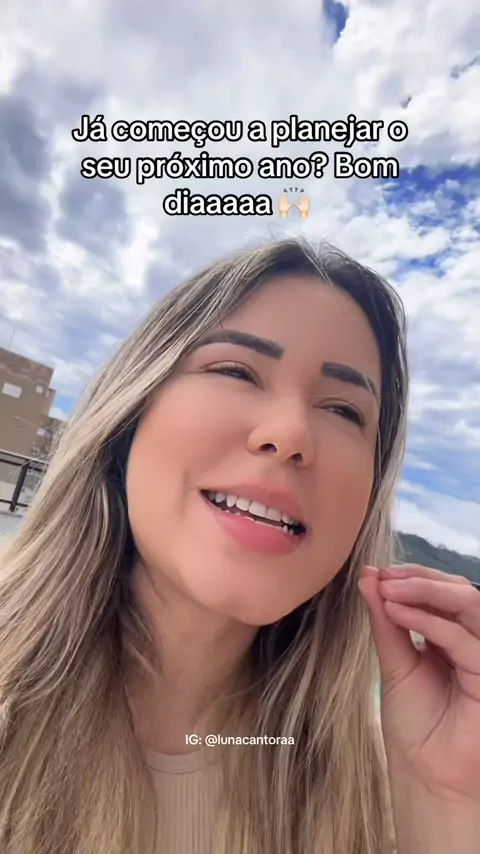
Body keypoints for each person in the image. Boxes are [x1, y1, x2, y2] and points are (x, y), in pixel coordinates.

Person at [0, 238, 478, 854]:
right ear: (130, 414)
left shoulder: (378, 793)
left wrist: (443, 808)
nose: (291, 433)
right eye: (235, 371)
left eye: (343, 409)